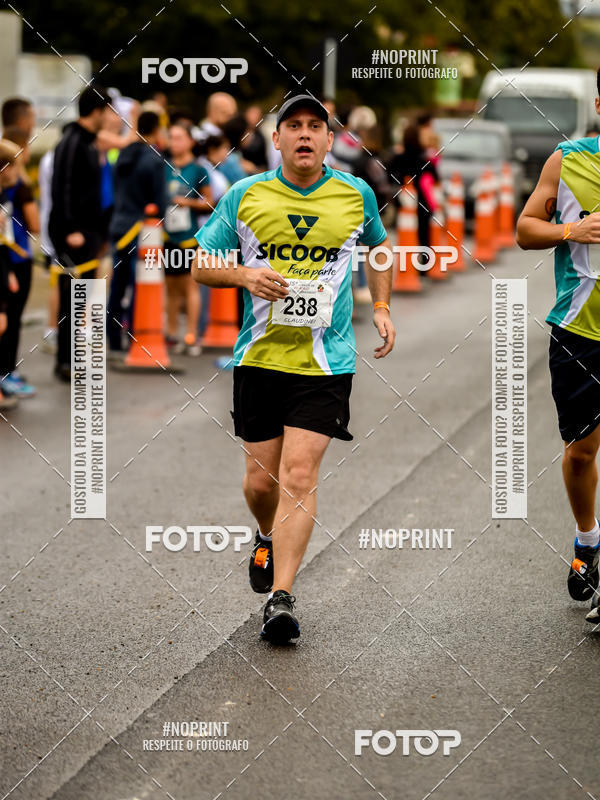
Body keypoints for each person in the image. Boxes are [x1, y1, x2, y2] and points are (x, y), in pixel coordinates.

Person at [193, 94, 395, 644]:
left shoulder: (356, 194)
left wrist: (379, 306)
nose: (305, 135)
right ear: (275, 139)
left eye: (315, 127)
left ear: (331, 141)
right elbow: (200, 263)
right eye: (294, 127)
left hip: (326, 363)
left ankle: (281, 597)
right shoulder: (245, 194)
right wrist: (243, 278)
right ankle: (265, 534)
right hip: (259, 358)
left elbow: (379, 250)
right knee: (262, 482)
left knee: (300, 477)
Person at [516, 67, 600, 623]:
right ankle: (587, 537)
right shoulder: (567, 160)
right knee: (582, 452)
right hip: (580, 331)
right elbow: (524, 230)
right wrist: (573, 231)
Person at [49, 86, 111, 381]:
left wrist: (100, 233)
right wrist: (70, 229)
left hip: (90, 234)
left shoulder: (89, 143)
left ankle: (72, 358)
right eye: (107, 111)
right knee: (71, 299)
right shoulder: (71, 142)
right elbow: (62, 188)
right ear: (97, 112)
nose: (110, 117)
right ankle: (64, 362)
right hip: (74, 234)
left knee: (81, 299)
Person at [107, 111, 166, 354]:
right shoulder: (154, 158)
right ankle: (134, 337)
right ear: (156, 129)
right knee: (140, 285)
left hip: (118, 224)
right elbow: (160, 201)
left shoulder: (122, 153)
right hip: (141, 230)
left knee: (117, 285)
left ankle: (113, 338)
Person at [163, 121, 212, 355]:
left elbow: (210, 202)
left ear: (190, 141)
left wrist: (188, 203)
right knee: (170, 288)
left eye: (180, 137)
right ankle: (172, 334)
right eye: (171, 137)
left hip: (189, 238)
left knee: (190, 287)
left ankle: (192, 336)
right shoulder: (164, 167)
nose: (175, 142)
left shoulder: (199, 170)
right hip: (166, 236)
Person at [0, 128, 40, 398]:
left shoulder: (13, 189)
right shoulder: (18, 190)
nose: (18, 169)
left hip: (13, 262)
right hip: (11, 262)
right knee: (8, 321)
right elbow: (35, 223)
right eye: (13, 164)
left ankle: (7, 373)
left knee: (10, 320)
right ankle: (6, 374)